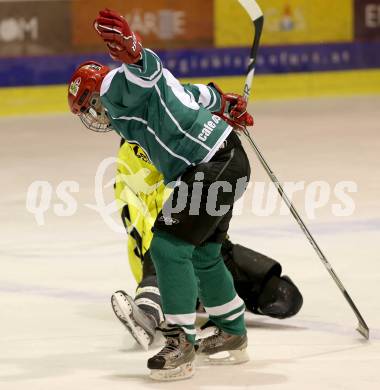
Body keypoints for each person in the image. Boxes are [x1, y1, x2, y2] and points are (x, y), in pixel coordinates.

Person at [68, 8, 255, 381]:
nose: (94, 115)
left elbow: (145, 70)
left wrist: (133, 51)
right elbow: (193, 93)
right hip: (227, 159)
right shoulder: (139, 101)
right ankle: (232, 333)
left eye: (89, 106)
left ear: (96, 96)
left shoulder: (115, 91)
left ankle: (180, 342)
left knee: (167, 247)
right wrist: (223, 103)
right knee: (203, 253)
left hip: (210, 165)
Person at [111, 139, 303, 350]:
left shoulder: (182, 134)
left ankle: (204, 300)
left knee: (284, 298)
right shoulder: (137, 151)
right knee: (168, 250)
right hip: (158, 250)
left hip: (203, 251)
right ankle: (148, 312)